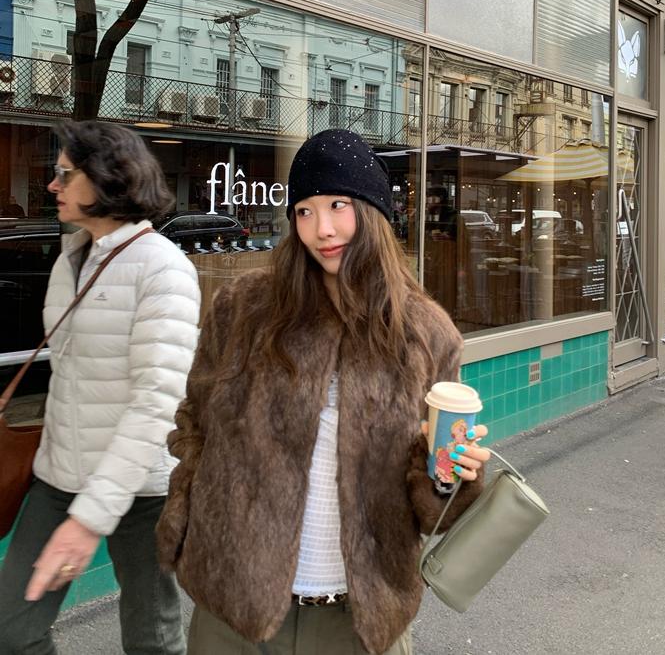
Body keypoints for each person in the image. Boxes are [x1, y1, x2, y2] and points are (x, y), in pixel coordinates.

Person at [156, 128, 490, 655]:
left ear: (373, 212)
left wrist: (451, 476)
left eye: (338, 205)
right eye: (305, 211)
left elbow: (431, 493)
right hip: (233, 606)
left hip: (359, 619)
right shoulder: (243, 309)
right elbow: (194, 421)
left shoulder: (426, 333)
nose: (323, 229)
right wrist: (191, 511)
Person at [0, 120, 201, 655]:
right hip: (60, 473)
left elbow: (156, 403)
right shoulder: (71, 258)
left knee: (152, 639)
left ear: (107, 178)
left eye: (65, 173)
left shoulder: (164, 269)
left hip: (141, 487)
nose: (52, 184)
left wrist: (90, 519)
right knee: (11, 630)